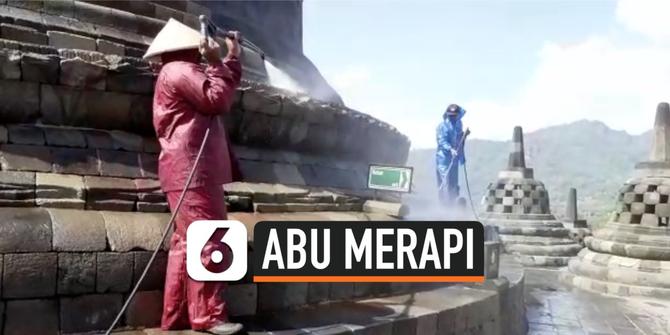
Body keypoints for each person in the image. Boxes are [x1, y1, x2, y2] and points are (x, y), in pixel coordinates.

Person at [143, 19, 243, 335]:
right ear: (187, 47)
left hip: (187, 170)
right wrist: (216, 62)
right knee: (209, 237)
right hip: (193, 171)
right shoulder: (180, 70)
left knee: (186, 243)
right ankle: (209, 317)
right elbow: (219, 99)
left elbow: (220, 88)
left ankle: (174, 319)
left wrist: (231, 57)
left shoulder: (176, 71)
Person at [436, 104, 467, 204]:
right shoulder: (443, 126)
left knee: (454, 181)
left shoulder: (459, 124)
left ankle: (453, 203)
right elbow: (442, 141)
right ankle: (444, 205)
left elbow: (459, 140)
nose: (453, 117)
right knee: (445, 181)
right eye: (451, 115)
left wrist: (464, 135)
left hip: (455, 158)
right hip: (443, 158)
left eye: (455, 115)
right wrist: (450, 149)